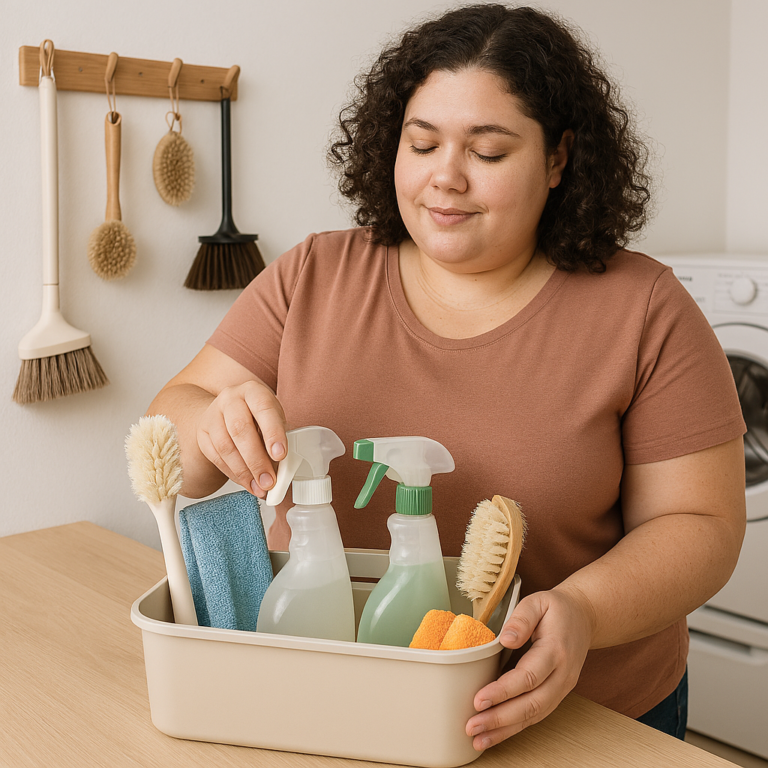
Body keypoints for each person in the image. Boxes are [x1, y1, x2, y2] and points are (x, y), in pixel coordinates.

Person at [147, 4, 746, 749]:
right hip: (322, 698)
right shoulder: (315, 274)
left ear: (559, 159)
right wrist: (212, 421)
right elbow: (172, 422)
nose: (444, 178)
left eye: (488, 153)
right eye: (421, 143)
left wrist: (584, 610)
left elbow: (702, 527)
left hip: (576, 716)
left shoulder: (644, 308)